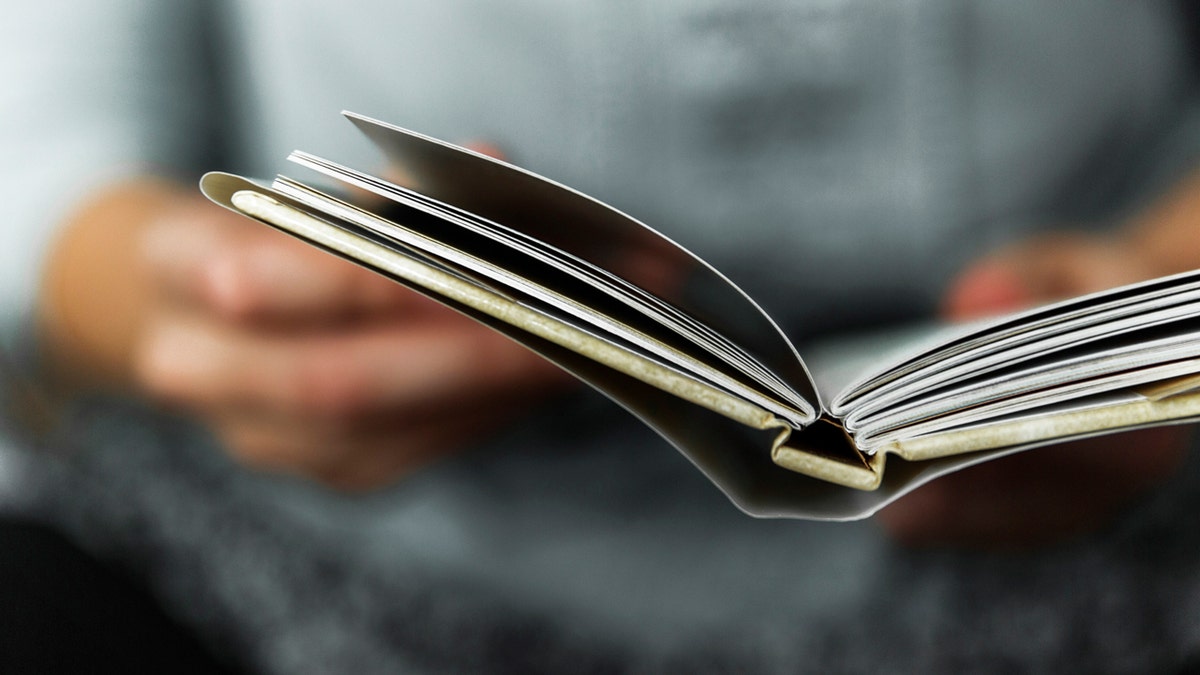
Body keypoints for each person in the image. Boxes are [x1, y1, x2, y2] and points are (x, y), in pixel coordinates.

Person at [2, 1, 1200, 672]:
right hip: (282, 564)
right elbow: (45, 157)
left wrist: (1152, 297)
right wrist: (203, 298)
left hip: (1111, 557)